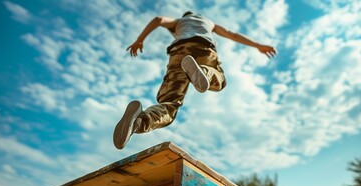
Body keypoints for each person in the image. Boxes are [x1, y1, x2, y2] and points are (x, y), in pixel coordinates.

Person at [113, 11, 277, 149]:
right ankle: (204, 73)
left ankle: (139, 121)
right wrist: (258, 45)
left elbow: (159, 20)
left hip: (178, 52)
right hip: (204, 49)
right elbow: (232, 34)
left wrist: (139, 40)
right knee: (220, 80)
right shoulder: (209, 22)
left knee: (170, 103)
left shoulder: (179, 22)